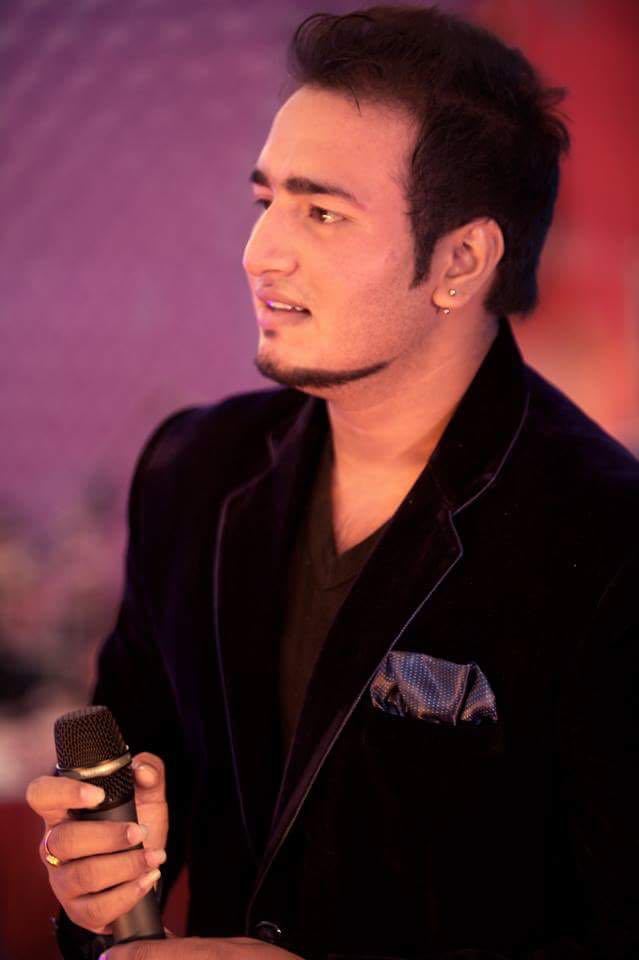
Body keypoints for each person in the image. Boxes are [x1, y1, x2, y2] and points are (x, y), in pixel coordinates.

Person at [26, 5, 639, 959]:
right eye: (265, 200)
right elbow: (126, 812)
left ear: (461, 260)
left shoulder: (605, 537)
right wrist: (90, 891)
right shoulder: (193, 473)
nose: (259, 253)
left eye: (321, 212)